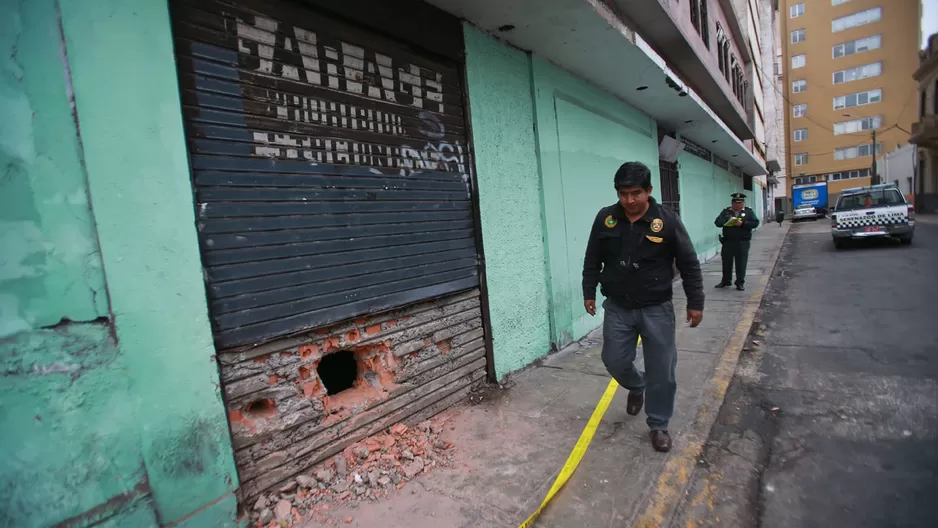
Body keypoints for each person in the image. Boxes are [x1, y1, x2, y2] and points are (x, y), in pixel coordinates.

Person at [582, 161, 705, 453]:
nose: (629, 201)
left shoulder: (667, 221)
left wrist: (695, 301)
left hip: (656, 308)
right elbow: (592, 258)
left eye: (636, 193)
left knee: (662, 370)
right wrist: (588, 292)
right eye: (623, 194)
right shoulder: (605, 219)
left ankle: (659, 424)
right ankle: (637, 386)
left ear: (649, 190)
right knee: (614, 359)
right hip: (618, 307)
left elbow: (689, 263)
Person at [714, 193, 760, 291]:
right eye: (735, 202)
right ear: (732, 202)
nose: (737, 204)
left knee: (741, 263)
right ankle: (726, 281)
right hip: (728, 242)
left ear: (743, 203)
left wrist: (743, 223)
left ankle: (740, 283)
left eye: (740, 202)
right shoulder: (726, 212)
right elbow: (717, 222)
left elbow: (755, 223)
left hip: (743, 242)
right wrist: (727, 220)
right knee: (726, 262)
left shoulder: (748, 212)